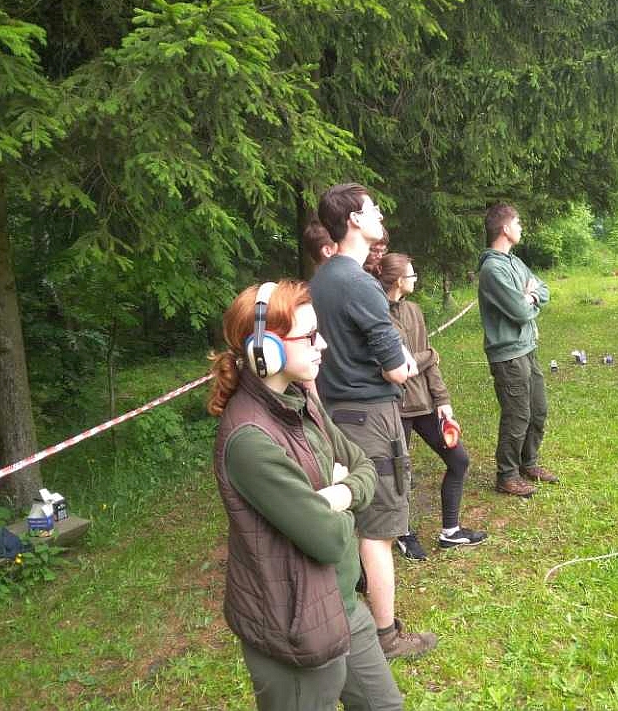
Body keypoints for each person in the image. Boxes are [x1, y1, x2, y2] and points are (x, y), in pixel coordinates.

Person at [207, 281, 403, 709]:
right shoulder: (250, 440)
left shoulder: (301, 399)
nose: (323, 344)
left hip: (343, 603)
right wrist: (343, 500)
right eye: (310, 336)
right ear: (265, 351)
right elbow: (329, 539)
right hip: (294, 625)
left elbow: (364, 466)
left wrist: (334, 496)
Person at [311, 183, 437, 660]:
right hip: (371, 418)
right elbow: (398, 368)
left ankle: (339, 617)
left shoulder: (321, 278)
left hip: (335, 414)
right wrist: (408, 358)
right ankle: (386, 636)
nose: (381, 215)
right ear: (354, 220)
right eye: (373, 209)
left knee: (347, 520)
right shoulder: (360, 283)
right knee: (378, 531)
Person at [375, 253, 489, 559]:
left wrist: (443, 400)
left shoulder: (413, 310)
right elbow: (399, 364)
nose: (416, 279)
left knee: (459, 460)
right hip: (394, 408)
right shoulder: (375, 314)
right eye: (412, 275)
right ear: (399, 280)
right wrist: (429, 355)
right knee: (400, 475)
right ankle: (403, 533)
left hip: (424, 405)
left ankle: (450, 532)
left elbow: (424, 360)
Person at [477, 203, 558, 498]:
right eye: (518, 223)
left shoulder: (514, 262)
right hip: (508, 354)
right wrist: (527, 299)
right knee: (517, 415)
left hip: (527, 348)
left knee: (538, 409)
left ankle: (529, 463)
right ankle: (507, 475)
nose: (521, 227)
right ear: (505, 228)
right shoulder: (492, 269)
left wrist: (530, 295)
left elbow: (543, 289)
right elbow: (519, 312)